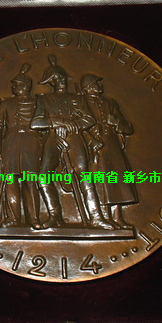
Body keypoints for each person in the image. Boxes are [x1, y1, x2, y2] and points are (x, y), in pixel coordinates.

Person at [30, 55, 114, 229]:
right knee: (43, 176)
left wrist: (71, 126)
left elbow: (89, 119)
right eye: (56, 78)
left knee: (83, 174)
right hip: (52, 138)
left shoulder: (77, 98)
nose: (61, 81)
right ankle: (55, 215)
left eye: (62, 77)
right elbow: (36, 123)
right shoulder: (43, 99)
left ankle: (96, 217)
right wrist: (58, 122)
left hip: (74, 137)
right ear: (51, 81)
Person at [79, 73, 138, 228]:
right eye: (96, 84)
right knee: (100, 180)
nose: (100, 86)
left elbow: (128, 128)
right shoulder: (81, 103)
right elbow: (78, 126)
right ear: (88, 88)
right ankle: (104, 216)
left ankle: (118, 216)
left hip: (112, 144)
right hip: (93, 146)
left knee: (117, 179)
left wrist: (116, 121)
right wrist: (91, 140)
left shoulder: (110, 103)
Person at [0, 64, 42, 228]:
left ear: (25, 86)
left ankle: (34, 218)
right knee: (9, 179)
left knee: (30, 180)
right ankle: (13, 218)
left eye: (16, 84)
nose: (13, 87)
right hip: (10, 142)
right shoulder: (6, 104)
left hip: (31, 142)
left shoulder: (38, 102)